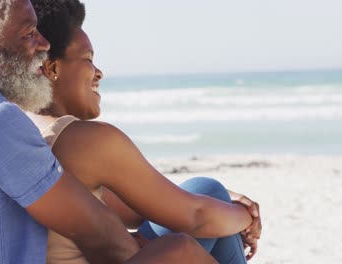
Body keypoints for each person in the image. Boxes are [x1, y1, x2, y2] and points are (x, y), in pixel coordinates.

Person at [0, 0, 219, 263]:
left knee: (201, 199)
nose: (43, 44)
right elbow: (102, 237)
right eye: (28, 34)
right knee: (181, 248)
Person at [27, 0, 262, 263]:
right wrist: (246, 217)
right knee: (203, 209)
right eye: (88, 59)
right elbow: (195, 218)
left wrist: (223, 204)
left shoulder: (26, 130)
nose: (99, 73)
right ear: (51, 68)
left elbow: (136, 210)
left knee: (209, 197)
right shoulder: (84, 140)